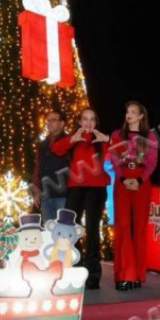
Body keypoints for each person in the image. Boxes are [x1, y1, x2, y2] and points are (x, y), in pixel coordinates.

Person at [51, 108, 111, 289]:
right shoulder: (73, 139)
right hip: (76, 189)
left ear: (96, 122)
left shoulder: (100, 140)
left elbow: (125, 151)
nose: (88, 123)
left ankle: (93, 276)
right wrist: (72, 139)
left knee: (92, 230)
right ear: (79, 121)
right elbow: (56, 149)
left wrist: (107, 139)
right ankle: (72, 271)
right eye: (85, 119)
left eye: (92, 119)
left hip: (96, 189)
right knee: (69, 230)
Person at [110, 101, 159, 291]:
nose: (128, 114)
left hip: (141, 180)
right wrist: (123, 179)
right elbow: (114, 159)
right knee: (122, 226)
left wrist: (139, 180)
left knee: (139, 227)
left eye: (133, 111)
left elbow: (152, 162)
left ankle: (138, 274)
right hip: (122, 179)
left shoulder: (150, 136)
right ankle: (124, 274)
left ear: (141, 116)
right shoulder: (117, 135)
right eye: (127, 111)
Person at [32, 110, 70, 223]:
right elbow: (37, 168)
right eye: (48, 120)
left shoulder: (69, 142)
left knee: (64, 229)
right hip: (45, 195)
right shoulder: (42, 145)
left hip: (63, 195)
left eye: (53, 120)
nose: (49, 123)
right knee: (48, 230)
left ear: (62, 124)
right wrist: (36, 191)